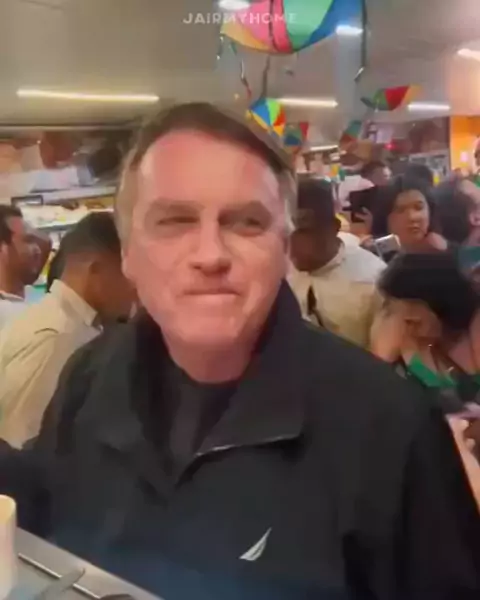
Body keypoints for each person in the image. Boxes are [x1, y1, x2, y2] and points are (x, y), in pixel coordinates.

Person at [0, 103, 479, 599]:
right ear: (128, 254)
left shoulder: (390, 429)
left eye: (246, 222)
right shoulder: (89, 376)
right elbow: (43, 508)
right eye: (174, 221)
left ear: (283, 249)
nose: (210, 255)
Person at [0, 212, 133, 448]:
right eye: (128, 274)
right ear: (96, 270)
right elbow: (20, 445)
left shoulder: (71, 324)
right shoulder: (57, 337)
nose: (136, 289)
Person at [370, 251, 480, 506]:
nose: (409, 328)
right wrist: (382, 359)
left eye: (415, 321)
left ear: (443, 305)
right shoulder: (399, 328)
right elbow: (374, 394)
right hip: (443, 468)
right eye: (403, 319)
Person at [288, 177, 385, 347]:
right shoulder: (279, 273)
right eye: (286, 231)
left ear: (333, 227)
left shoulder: (372, 281)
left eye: (302, 232)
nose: (291, 243)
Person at [366, 175, 447, 261]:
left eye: (419, 207)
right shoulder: (370, 258)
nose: (412, 217)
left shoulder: (450, 256)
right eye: (400, 210)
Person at [0, 205, 46, 328]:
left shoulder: (33, 295)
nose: (38, 250)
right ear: (3, 249)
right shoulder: (7, 314)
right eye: (28, 241)